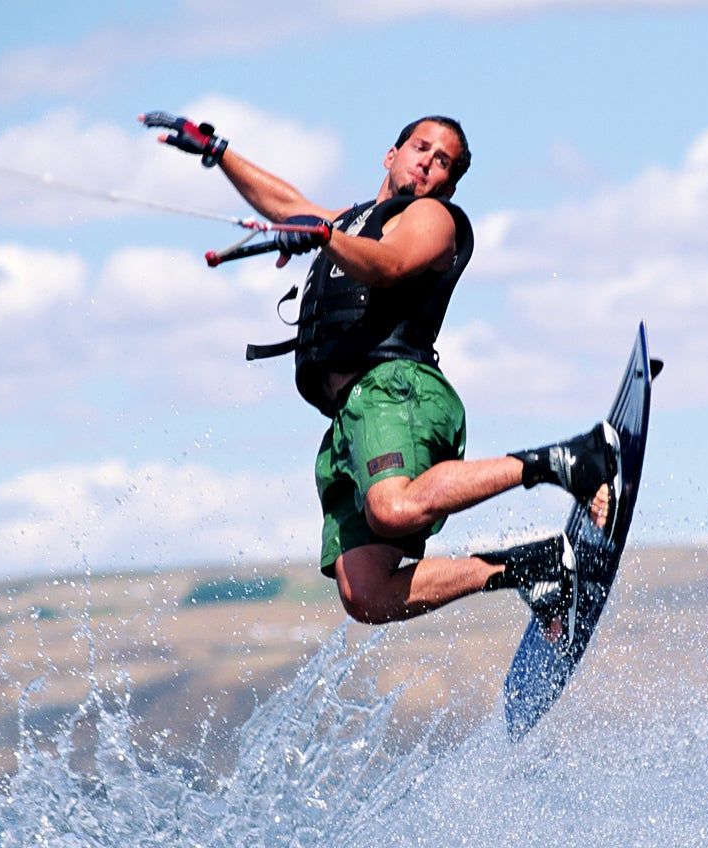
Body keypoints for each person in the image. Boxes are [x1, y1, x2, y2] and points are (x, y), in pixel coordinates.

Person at [141, 110, 619, 638]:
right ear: (392, 155)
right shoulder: (352, 220)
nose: (429, 165)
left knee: (393, 509)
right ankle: (531, 567)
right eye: (421, 149)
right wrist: (218, 151)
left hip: (397, 391)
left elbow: (387, 264)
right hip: (351, 419)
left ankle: (566, 460)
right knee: (366, 593)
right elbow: (286, 205)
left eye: (445, 164)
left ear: (450, 185)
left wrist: (322, 236)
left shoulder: (434, 221)